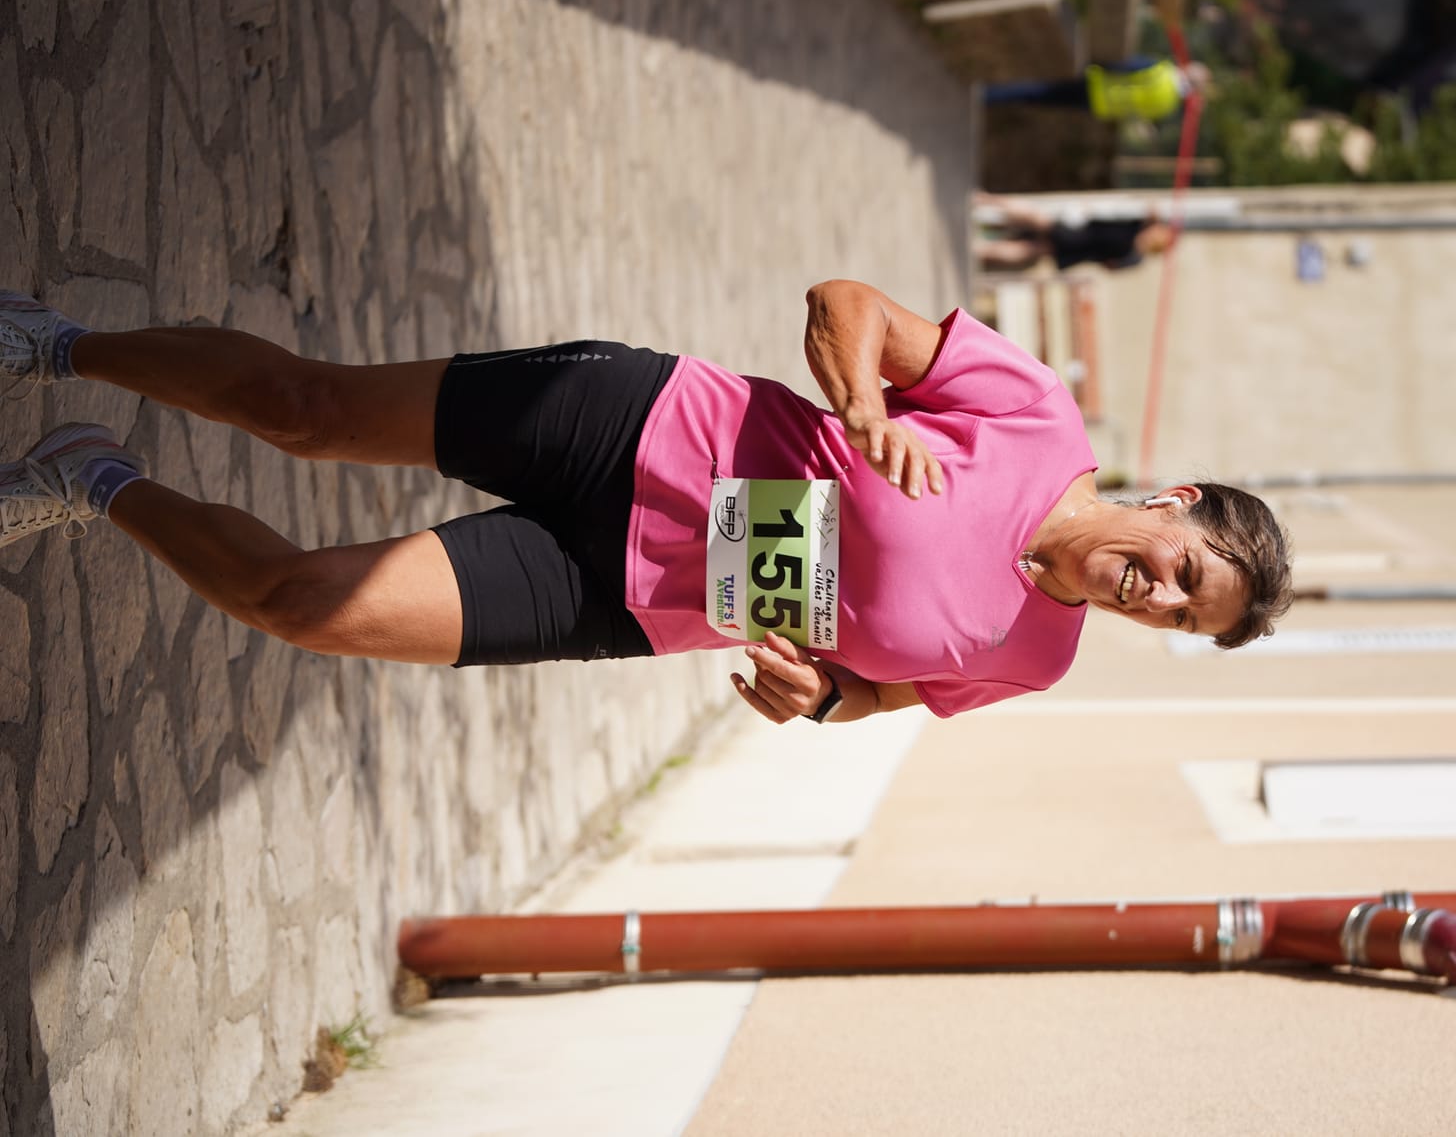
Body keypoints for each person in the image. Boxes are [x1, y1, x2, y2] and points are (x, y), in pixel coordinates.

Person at [1, 283, 1292, 724]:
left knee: (305, 604)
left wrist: (819, 698)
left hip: (627, 595)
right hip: (633, 427)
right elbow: (844, 303)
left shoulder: (1036, 657)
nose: (1158, 597)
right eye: (1184, 569)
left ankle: (88, 473)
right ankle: (58, 344)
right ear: (1173, 501)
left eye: (1181, 619)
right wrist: (865, 407)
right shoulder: (1033, 418)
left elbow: (878, 694)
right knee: (307, 410)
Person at [974, 192, 1177, 272]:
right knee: (1031, 249)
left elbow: (1148, 206)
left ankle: (987, 200)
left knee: (1033, 218)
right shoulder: (1134, 256)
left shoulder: (1136, 227)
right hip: (1080, 252)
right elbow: (1110, 266)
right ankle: (981, 250)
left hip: (1078, 232)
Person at [982, 57, 1210, 124]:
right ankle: (997, 100)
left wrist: (1097, 63)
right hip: (1099, 108)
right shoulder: (1168, 106)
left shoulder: (1162, 71)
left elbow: (1124, 66)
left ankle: (990, 95)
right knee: (1041, 100)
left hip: (1095, 84)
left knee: (1039, 89)